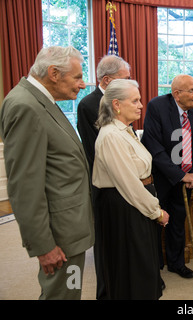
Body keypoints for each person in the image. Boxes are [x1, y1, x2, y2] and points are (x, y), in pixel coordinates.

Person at [0, 46, 94, 299]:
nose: (82, 84)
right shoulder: (26, 106)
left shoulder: (41, 101)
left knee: (70, 292)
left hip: (68, 227)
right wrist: (43, 246)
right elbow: (25, 186)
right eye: (77, 77)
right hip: (58, 234)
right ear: (53, 73)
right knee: (62, 295)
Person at [92, 79, 168, 299]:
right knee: (133, 269)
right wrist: (156, 211)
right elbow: (129, 184)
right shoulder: (111, 136)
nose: (141, 105)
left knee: (143, 265)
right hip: (125, 206)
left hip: (135, 203)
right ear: (116, 105)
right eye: (135, 100)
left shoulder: (125, 131)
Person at [141, 74, 193, 280]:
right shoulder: (157, 106)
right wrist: (180, 175)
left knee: (178, 220)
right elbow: (154, 147)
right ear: (177, 94)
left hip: (186, 177)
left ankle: (176, 263)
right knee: (155, 221)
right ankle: (154, 267)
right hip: (160, 176)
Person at [76, 54, 131, 300]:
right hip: (106, 185)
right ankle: (105, 292)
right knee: (105, 242)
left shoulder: (121, 100)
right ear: (107, 80)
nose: (131, 84)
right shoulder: (89, 104)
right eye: (125, 79)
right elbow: (94, 152)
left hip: (126, 180)